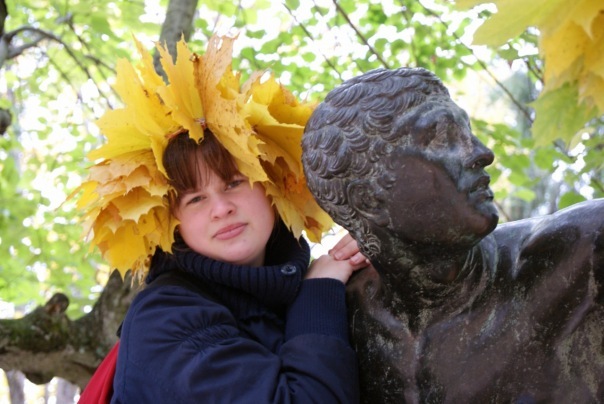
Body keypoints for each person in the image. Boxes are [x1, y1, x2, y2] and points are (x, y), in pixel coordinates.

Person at [76, 35, 367, 403]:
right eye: (195, 198)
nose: (221, 208)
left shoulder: (291, 290)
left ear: (273, 188)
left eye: (234, 183)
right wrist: (318, 294)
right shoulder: (166, 318)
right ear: (173, 222)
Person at [302, 67, 604, 403]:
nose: (481, 153)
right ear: (368, 199)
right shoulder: (333, 323)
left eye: (467, 131)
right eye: (441, 138)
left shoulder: (584, 251)